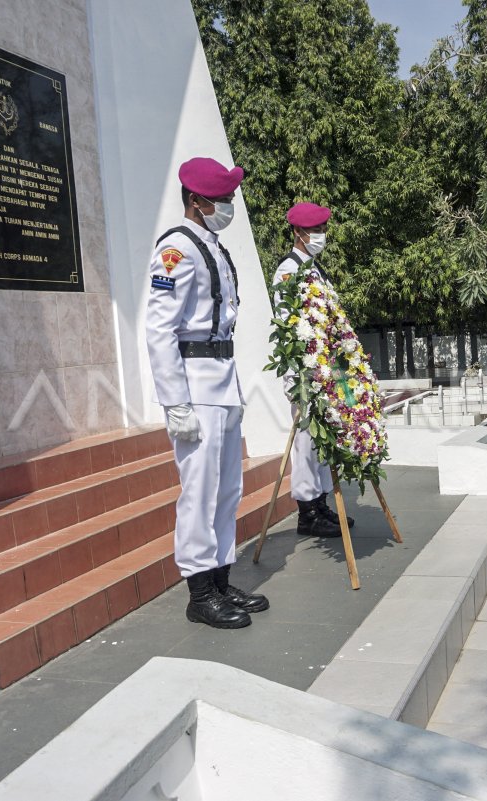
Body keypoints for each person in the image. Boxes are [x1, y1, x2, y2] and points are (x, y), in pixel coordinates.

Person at [145, 156, 268, 629]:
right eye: (222, 199)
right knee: (199, 491)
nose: (228, 205)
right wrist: (174, 401)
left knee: (227, 489)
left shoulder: (210, 245)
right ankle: (199, 593)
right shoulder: (176, 250)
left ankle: (219, 577)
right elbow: (159, 330)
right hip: (195, 387)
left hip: (223, 380)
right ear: (196, 201)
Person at [272, 202, 353, 537]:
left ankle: (320, 504)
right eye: (313, 230)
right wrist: (298, 379)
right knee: (306, 441)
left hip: (327, 370)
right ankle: (307, 512)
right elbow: (288, 328)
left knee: (322, 439)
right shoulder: (288, 271)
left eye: (322, 229)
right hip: (306, 373)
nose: (319, 235)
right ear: (297, 233)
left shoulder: (315, 269)